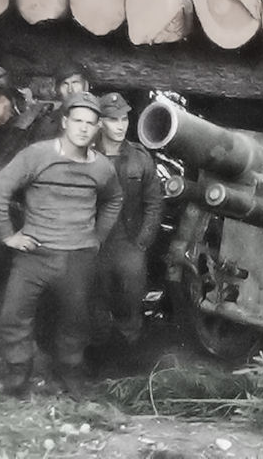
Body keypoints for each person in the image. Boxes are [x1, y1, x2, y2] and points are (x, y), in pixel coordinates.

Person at [0, 91, 122, 396]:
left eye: (90, 123)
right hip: (34, 256)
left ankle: (70, 376)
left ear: (97, 128)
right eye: (78, 121)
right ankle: (18, 377)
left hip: (77, 259)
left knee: (75, 322)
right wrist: (8, 235)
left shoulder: (101, 167)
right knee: (12, 316)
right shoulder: (37, 155)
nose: (84, 128)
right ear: (64, 122)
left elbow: (114, 199)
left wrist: (97, 237)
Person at [94, 92, 162, 348]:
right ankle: (98, 356)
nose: (121, 125)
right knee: (95, 301)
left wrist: (142, 243)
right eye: (113, 119)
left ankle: (130, 354)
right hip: (95, 243)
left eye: (124, 118)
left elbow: (154, 203)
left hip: (129, 243)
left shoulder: (140, 157)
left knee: (132, 300)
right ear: (100, 122)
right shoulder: (86, 155)